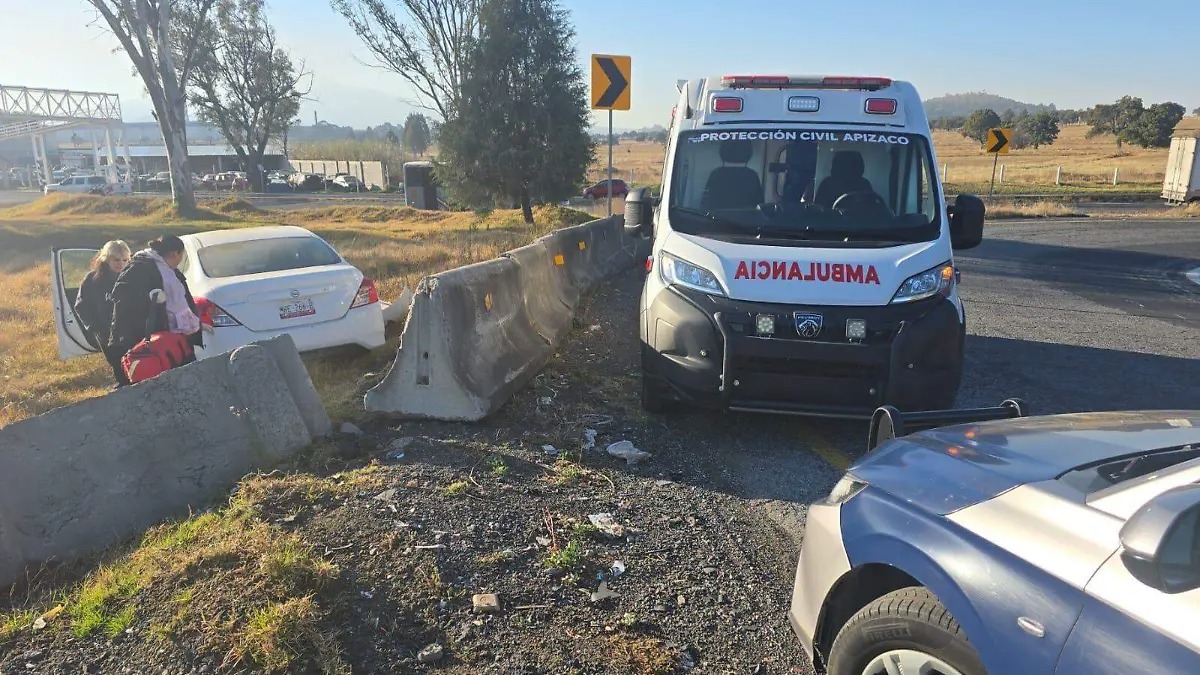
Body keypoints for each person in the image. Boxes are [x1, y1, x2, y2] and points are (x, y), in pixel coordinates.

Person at [108, 235, 203, 374]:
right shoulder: (139, 268)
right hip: (152, 341)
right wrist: (151, 299)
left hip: (176, 338)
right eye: (182, 254)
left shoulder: (172, 272)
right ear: (175, 253)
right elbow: (121, 297)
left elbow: (185, 302)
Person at [74, 240, 132, 387]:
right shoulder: (93, 280)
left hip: (130, 329)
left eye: (125, 260)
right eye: (116, 260)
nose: (121, 264)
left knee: (135, 362)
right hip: (105, 331)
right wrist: (94, 328)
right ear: (106, 258)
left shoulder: (133, 277)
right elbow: (81, 306)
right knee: (117, 364)